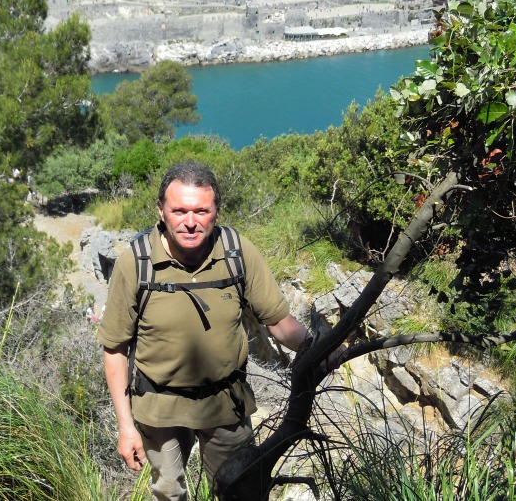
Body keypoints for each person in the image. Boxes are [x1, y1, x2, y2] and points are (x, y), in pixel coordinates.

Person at [97, 161, 342, 500]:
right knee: (168, 492)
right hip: (159, 405)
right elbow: (115, 349)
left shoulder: (237, 252)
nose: (190, 222)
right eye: (179, 210)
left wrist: (319, 349)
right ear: (161, 210)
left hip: (225, 404)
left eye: (201, 210)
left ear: (216, 211)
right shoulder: (136, 264)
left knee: (242, 491)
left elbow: (280, 323)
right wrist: (126, 427)